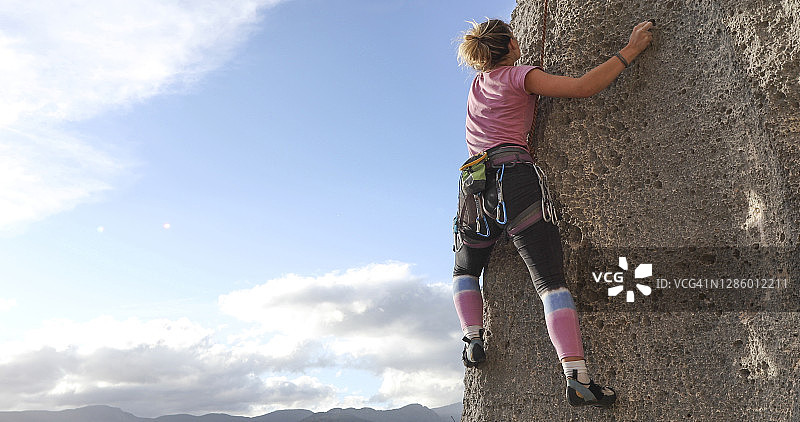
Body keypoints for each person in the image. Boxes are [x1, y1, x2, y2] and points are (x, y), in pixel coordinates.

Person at [451, 18, 653, 408]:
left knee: (465, 270)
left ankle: (473, 338)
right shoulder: (519, 76)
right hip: (515, 180)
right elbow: (581, 88)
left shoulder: (477, 86)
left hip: (473, 188)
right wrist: (630, 50)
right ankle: (577, 379)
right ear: (511, 44)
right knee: (550, 282)